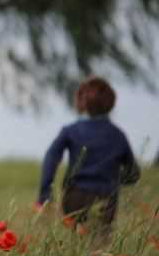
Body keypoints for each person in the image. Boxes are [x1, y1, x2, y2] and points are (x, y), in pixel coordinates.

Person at [37, 76, 140, 228]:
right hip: (106, 199)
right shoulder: (118, 135)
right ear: (110, 102)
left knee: (75, 242)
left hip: (75, 197)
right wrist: (112, 180)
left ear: (82, 101)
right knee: (100, 246)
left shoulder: (70, 131)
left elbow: (50, 159)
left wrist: (45, 194)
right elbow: (133, 174)